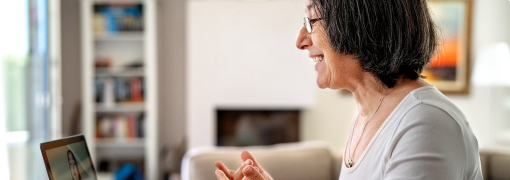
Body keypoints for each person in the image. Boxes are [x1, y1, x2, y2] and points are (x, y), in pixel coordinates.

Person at [215, 0, 484, 179]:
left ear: (358, 23)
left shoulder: (425, 124)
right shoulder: (365, 116)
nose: (300, 40)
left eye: (311, 21)